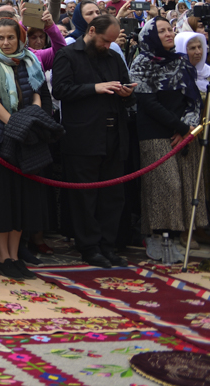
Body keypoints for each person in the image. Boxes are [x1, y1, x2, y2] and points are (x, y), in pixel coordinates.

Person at [52, 14, 135, 267]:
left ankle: (107, 245)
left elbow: (127, 96)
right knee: (85, 197)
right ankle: (89, 246)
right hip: (83, 137)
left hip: (114, 136)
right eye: (104, 41)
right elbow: (60, 90)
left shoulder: (114, 57)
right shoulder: (67, 55)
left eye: (111, 42)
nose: (107, 46)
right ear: (90, 31)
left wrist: (127, 93)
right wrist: (94, 88)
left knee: (112, 195)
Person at [0, 18, 50, 280]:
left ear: (19, 38)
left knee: (20, 197)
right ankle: (3, 256)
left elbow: (37, 92)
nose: (6, 43)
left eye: (11, 37)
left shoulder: (29, 60)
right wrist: (14, 123)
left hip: (25, 137)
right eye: (1, 38)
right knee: (1, 198)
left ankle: (16, 256)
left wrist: (33, 114)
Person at [131, 20, 206, 260]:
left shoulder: (181, 61)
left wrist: (188, 127)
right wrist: (181, 126)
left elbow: (193, 98)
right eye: (161, 30)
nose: (168, 33)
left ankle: (174, 237)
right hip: (155, 131)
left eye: (169, 29)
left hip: (183, 133)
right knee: (166, 186)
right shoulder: (142, 61)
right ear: (150, 35)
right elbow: (147, 101)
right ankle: (156, 235)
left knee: (184, 187)